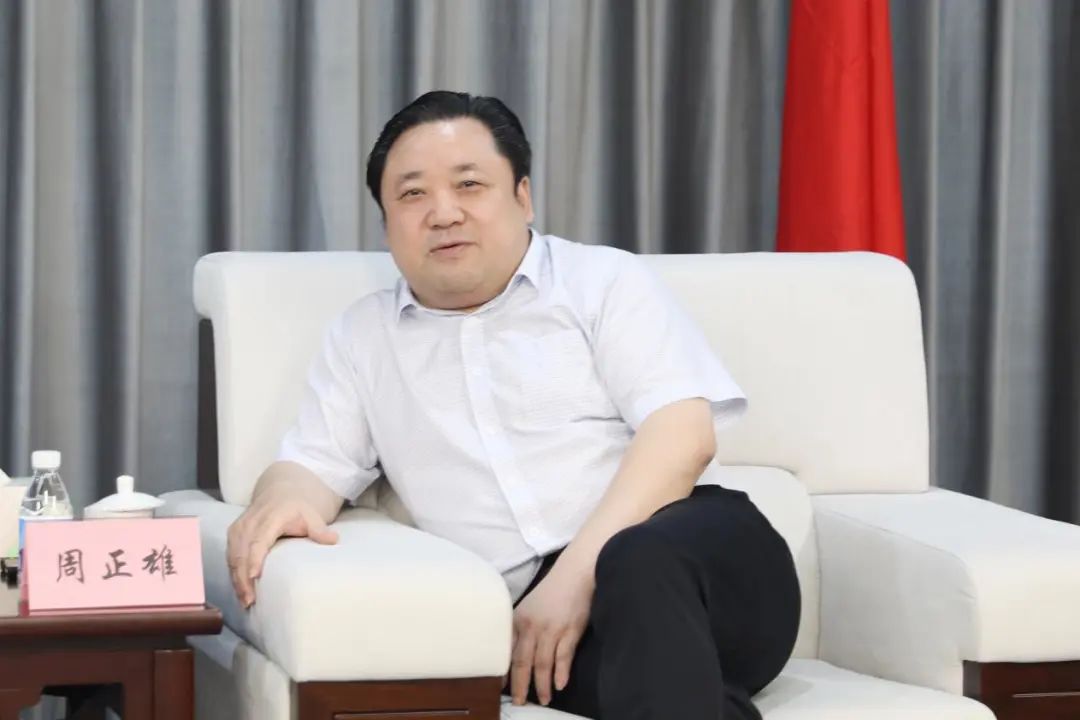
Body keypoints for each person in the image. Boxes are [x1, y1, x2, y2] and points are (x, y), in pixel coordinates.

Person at [226, 90, 800, 720]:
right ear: (386, 224)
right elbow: (312, 465)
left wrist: (575, 579)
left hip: (699, 559)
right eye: (412, 194)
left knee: (637, 561)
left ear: (523, 197)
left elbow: (683, 436)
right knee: (655, 688)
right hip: (553, 632)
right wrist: (278, 502)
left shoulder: (601, 282)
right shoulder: (362, 337)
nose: (444, 213)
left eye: (469, 185)